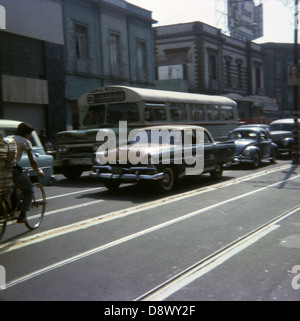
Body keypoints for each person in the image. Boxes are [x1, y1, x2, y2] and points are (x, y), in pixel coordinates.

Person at [12, 122, 44, 223]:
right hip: (12, 170)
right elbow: (32, 160)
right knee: (29, 189)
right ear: (25, 133)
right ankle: (22, 215)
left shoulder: (9, 138)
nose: (30, 136)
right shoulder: (25, 141)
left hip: (2, 169)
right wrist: (38, 170)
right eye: (29, 134)